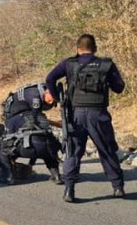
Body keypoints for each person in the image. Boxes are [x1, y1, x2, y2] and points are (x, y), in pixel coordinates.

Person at [46, 34, 126, 203]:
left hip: (76, 115)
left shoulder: (69, 64)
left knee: (73, 152)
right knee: (107, 149)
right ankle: (118, 187)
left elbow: (50, 78)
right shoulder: (106, 65)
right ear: (95, 48)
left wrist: (57, 98)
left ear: (77, 49)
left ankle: (69, 189)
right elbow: (119, 87)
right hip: (99, 114)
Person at [0, 84, 63, 185]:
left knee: (0, 146)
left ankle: (8, 177)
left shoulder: (15, 118)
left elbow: (7, 141)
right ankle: (56, 175)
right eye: (51, 100)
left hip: (29, 149)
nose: (51, 103)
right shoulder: (40, 115)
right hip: (48, 150)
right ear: (47, 91)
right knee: (46, 145)